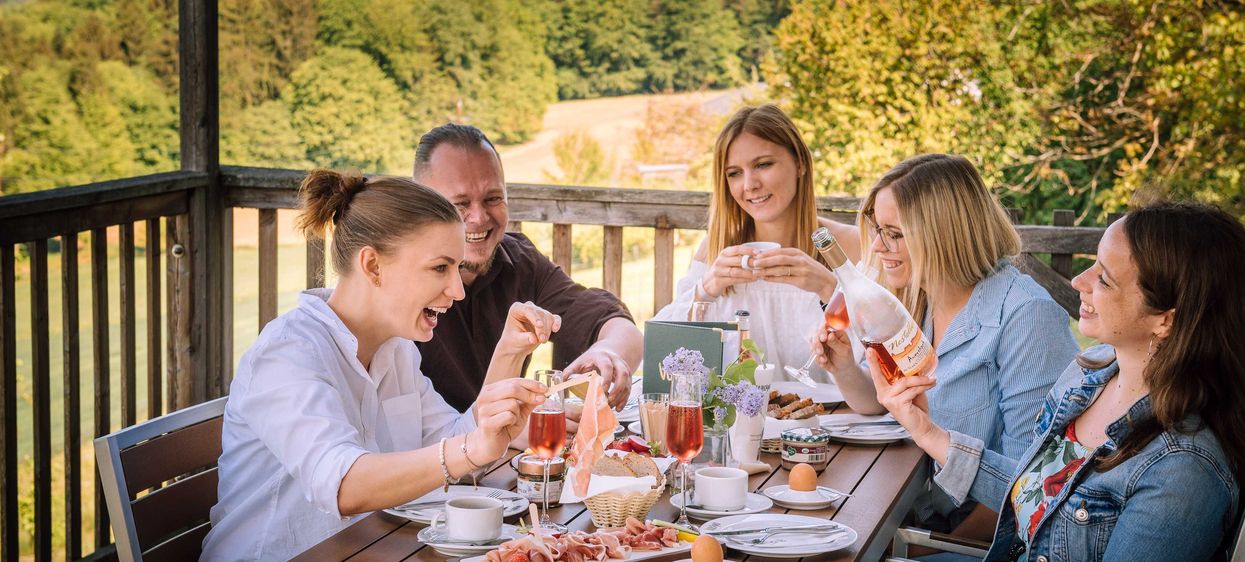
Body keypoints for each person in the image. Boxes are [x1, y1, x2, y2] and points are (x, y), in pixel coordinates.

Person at [875, 201, 1245, 560]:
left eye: (1105, 279)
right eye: (1092, 265)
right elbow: (1036, 494)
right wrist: (925, 430)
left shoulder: (1183, 470)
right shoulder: (1090, 376)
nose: (1079, 281)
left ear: (1165, 320)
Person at [202, 171, 555, 561]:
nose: (457, 290)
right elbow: (343, 485)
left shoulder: (396, 350)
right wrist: (470, 448)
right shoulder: (288, 353)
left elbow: (459, 444)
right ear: (372, 265)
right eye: (440, 268)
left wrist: (509, 352)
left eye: (457, 268)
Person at [812, 154, 1077, 537]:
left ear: (944, 234)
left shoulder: (1026, 316)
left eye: (895, 233)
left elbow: (1027, 486)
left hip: (969, 539)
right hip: (907, 512)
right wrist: (844, 368)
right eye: (877, 229)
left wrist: (921, 549)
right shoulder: (917, 293)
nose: (878, 246)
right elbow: (881, 399)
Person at [412, 124, 642, 412]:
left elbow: (611, 320)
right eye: (460, 204)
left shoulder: (520, 261)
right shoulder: (400, 281)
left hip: (503, 437)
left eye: (493, 198)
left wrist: (607, 353)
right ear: (422, 206)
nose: (479, 217)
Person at [653, 104, 859, 381]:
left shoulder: (849, 246)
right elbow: (660, 358)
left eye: (763, 165)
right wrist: (706, 289)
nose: (749, 184)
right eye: (734, 173)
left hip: (838, 410)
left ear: (800, 163)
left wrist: (829, 289)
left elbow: (879, 357)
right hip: (745, 410)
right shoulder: (716, 250)